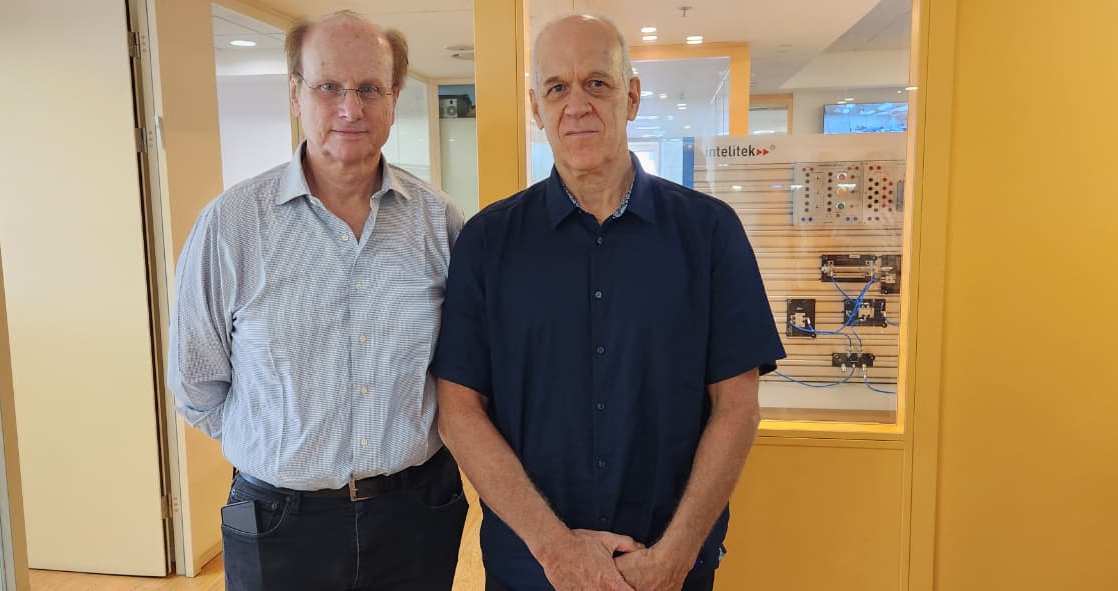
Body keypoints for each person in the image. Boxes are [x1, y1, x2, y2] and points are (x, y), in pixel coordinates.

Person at [432, 13, 786, 591]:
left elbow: (737, 407)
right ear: (535, 107)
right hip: (532, 569)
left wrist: (675, 555)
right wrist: (557, 550)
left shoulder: (709, 234)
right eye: (556, 88)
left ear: (632, 97)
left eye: (597, 83)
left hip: (667, 568)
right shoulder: (487, 243)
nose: (577, 105)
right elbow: (458, 412)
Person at [167, 11, 467, 590]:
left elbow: (461, 370)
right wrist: (280, 449)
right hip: (279, 523)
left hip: (415, 514)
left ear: (393, 99)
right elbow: (196, 384)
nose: (350, 109)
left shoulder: (439, 221)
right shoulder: (231, 226)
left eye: (369, 89)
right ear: (295, 94)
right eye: (329, 86)